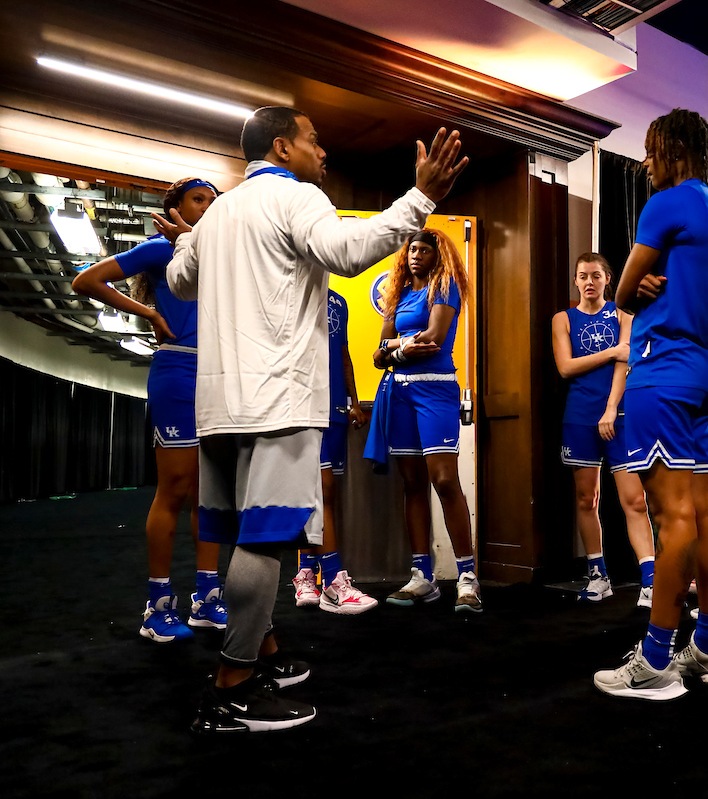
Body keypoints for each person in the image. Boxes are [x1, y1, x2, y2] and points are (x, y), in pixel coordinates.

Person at [163, 106, 467, 732]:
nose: (322, 151)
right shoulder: (296, 196)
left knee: (242, 535)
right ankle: (233, 685)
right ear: (282, 147)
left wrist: (192, 238)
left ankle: (263, 651)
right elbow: (350, 253)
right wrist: (421, 197)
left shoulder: (216, 213)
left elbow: (179, 280)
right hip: (277, 402)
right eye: (314, 140)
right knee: (264, 540)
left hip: (219, 409)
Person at [593, 108, 708, 700]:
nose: (647, 164)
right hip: (704, 369)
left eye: (652, 152)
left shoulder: (669, 202)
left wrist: (638, 285)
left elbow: (621, 292)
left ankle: (655, 659)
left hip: (663, 369)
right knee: (703, 511)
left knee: (670, 514)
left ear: (673, 150)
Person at [72, 177, 226, 643]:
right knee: (175, 488)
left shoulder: (218, 257)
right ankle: (157, 606)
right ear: (174, 207)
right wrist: (151, 315)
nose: (208, 207)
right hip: (177, 372)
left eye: (213, 201)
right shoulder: (163, 249)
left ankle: (206, 596)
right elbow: (87, 280)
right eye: (199, 199)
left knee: (210, 493)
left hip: (218, 379)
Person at [370, 228, 482, 614]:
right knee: (412, 482)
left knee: (445, 480)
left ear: (438, 255)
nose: (416, 255)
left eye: (424, 250)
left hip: (435, 389)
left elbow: (432, 338)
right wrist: (399, 348)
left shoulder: (445, 284)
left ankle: (467, 577)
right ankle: (423, 576)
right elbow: (376, 354)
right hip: (398, 392)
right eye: (411, 249)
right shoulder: (397, 293)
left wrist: (392, 349)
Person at [552, 253, 656, 606]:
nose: (589, 282)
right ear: (576, 281)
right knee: (587, 499)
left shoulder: (623, 313)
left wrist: (611, 408)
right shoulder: (563, 319)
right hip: (579, 417)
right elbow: (566, 367)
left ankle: (651, 581)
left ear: (607, 279)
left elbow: (626, 362)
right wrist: (613, 350)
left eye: (596, 275)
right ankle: (598, 575)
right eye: (582, 276)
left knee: (635, 500)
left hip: (620, 416)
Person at [291, 288, 377, 615]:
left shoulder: (340, 301)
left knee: (329, 495)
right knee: (319, 490)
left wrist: (354, 401)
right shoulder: (291, 289)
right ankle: (333, 580)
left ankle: (305, 573)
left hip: (336, 409)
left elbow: (344, 353)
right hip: (305, 407)